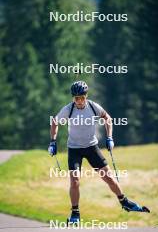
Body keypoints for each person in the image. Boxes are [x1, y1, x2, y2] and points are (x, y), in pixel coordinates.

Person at [48, 81, 150, 223]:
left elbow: (107, 118)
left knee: (108, 177)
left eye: (82, 98)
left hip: (91, 148)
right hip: (74, 149)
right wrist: (53, 141)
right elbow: (55, 122)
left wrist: (109, 137)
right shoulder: (68, 109)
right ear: (73, 98)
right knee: (75, 182)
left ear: (86, 96)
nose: (79, 101)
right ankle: (75, 214)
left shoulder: (92, 106)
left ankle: (125, 202)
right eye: (76, 98)